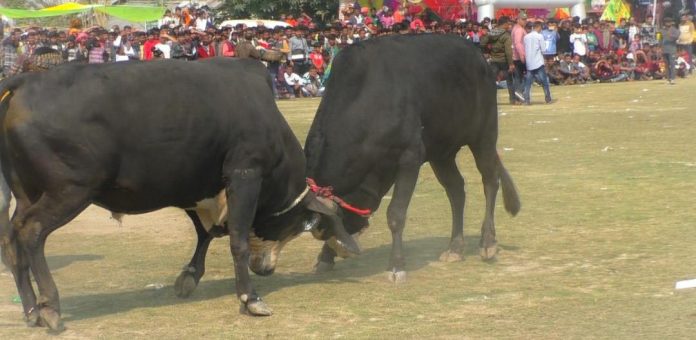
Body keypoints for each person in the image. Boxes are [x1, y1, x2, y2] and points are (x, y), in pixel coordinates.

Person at [480, 16, 517, 105]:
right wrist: (511, 64)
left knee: (491, 81)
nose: (509, 25)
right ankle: (512, 100)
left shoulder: (490, 33)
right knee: (509, 81)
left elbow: (482, 43)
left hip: (493, 60)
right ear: (504, 24)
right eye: (508, 24)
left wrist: (487, 51)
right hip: (504, 60)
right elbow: (508, 51)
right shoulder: (506, 35)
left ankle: (489, 100)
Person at [522, 21, 553, 105]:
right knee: (544, 81)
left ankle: (526, 100)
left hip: (529, 62)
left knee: (528, 83)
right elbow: (543, 49)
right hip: (538, 62)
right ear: (538, 27)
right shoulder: (540, 36)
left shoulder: (526, 37)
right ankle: (548, 98)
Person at [511, 13, 527, 102]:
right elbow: (518, 43)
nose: (525, 21)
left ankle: (518, 95)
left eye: (525, 19)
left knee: (518, 77)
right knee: (528, 76)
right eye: (523, 19)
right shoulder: (519, 30)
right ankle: (519, 91)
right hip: (519, 56)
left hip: (515, 56)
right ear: (518, 19)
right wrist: (522, 55)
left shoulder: (515, 28)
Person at [660, 17, 680, 84]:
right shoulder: (662, 30)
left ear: (671, 22)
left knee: (672, 64)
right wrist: (659, 47)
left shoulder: (675, 30)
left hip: (672, 49)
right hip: (664, 49)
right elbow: (660, 39)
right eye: (666, 22)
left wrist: (670, 35)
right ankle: (668, 79)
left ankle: (672, 78)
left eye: (669, 22)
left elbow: (677, 37)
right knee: (666, 65)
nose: (667, 23)